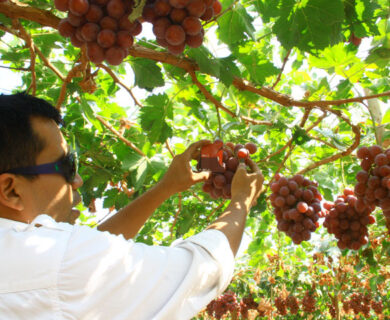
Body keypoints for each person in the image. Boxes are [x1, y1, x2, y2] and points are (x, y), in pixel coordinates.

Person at [0, 92, 263, 319]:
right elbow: (203, 268)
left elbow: (90, 250)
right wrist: (242, 200)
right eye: (67, 166)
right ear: (11, 190)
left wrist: (166, 187)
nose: (77, 180)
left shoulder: (26, 256)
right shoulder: (54, 261)